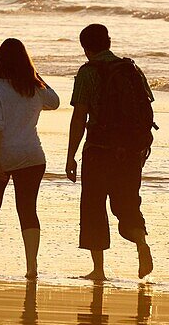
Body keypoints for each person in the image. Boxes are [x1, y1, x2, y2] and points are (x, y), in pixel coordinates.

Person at [65, 24, 155, 281]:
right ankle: (141, 244)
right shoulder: (131, 69)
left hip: (98, 151)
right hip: (129, 151)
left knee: (94, 207)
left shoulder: (87, 72)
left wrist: (71, 155)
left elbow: (79, 116)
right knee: (127, 204)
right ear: (109, 42)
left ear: (85, 48)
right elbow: (145, 109)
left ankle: (99, 270)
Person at [0, 38, 60, 280]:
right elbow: (55, 102)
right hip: (32, 155)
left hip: (2, 154)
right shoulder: (34, 88)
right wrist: (36, 74)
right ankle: (32, 266)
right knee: (28, 210)